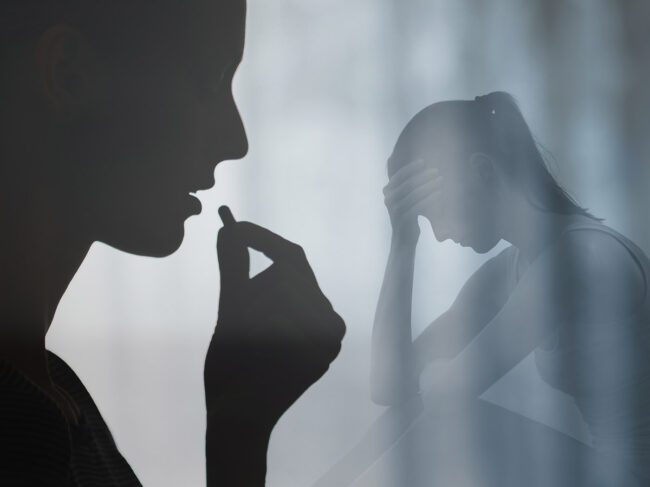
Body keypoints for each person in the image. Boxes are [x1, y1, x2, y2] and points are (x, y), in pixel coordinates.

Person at [0, 1, 345, 486]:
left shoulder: (57, 400)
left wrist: (238, 431)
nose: (236, 139)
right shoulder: (22, 424)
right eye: (210, 81)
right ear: (68, 73)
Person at [323, 92, 649, 486]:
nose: (441, 236)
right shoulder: (508, 271)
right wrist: (403, 243)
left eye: (436, 212)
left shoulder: (581, 258)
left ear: (481, 172)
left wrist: (431, 388)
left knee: (446, 417)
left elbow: (450, 397)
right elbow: (390, 386)